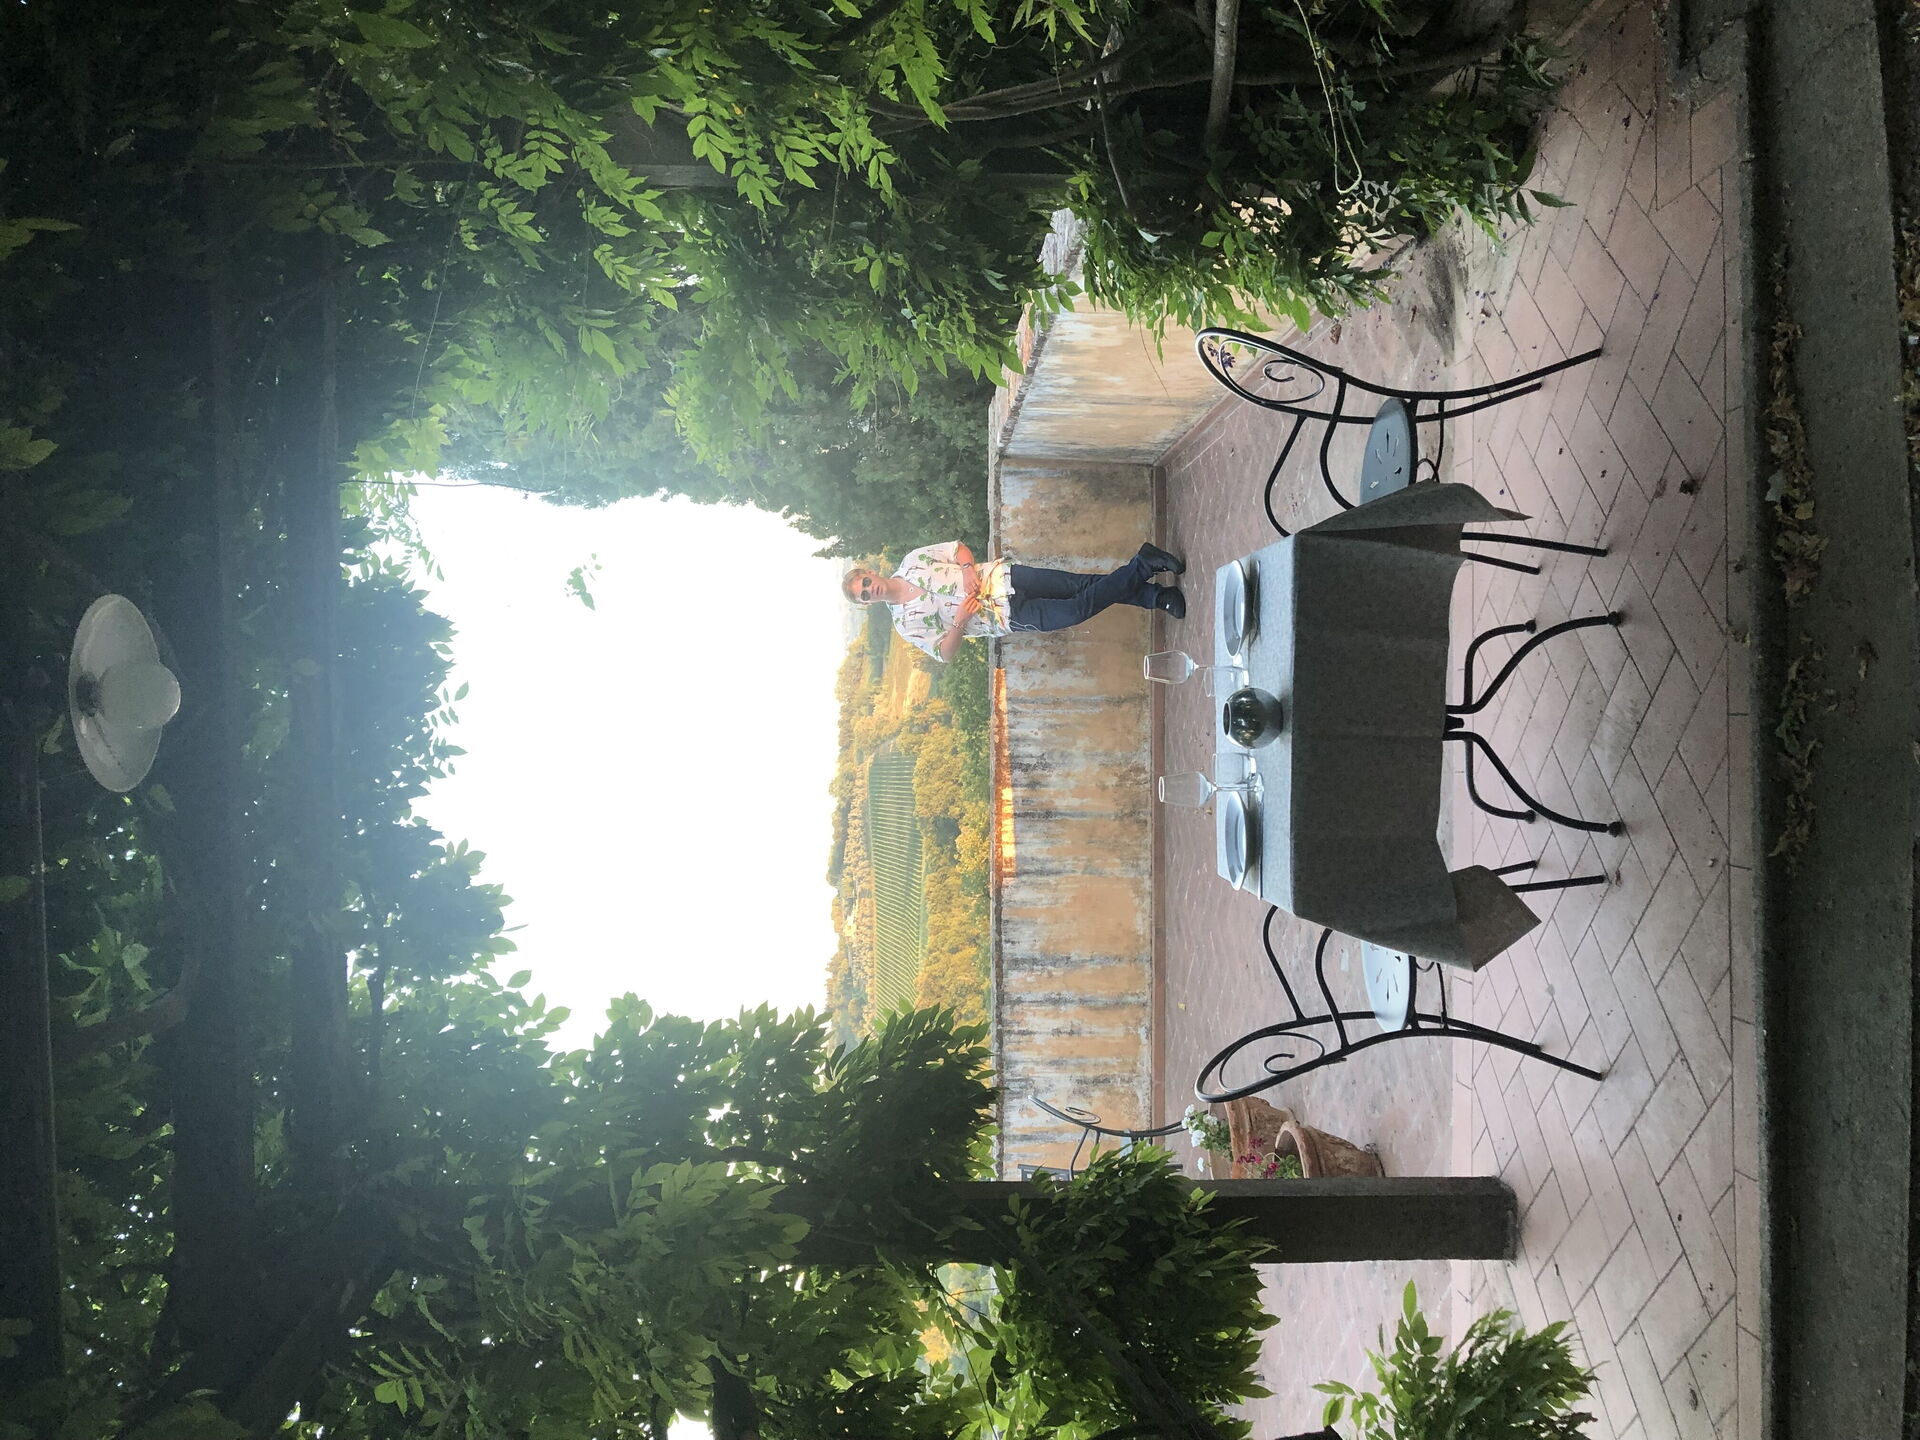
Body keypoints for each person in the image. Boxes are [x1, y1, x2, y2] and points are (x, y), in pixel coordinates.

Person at [843, 540, 1186, 663]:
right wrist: (960, 621)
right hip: (1004, 615)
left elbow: (957, 548)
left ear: (871, 573)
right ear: (867, 604)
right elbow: (943, 654)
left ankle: (1157, 596)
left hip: (1006, 577)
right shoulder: (906, 625)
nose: (870, 590)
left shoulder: (913, 561)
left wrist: (967, 569)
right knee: (1076, 609)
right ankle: (1143, 565)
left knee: (1081, 585)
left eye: (866, 583)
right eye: (864, 595)